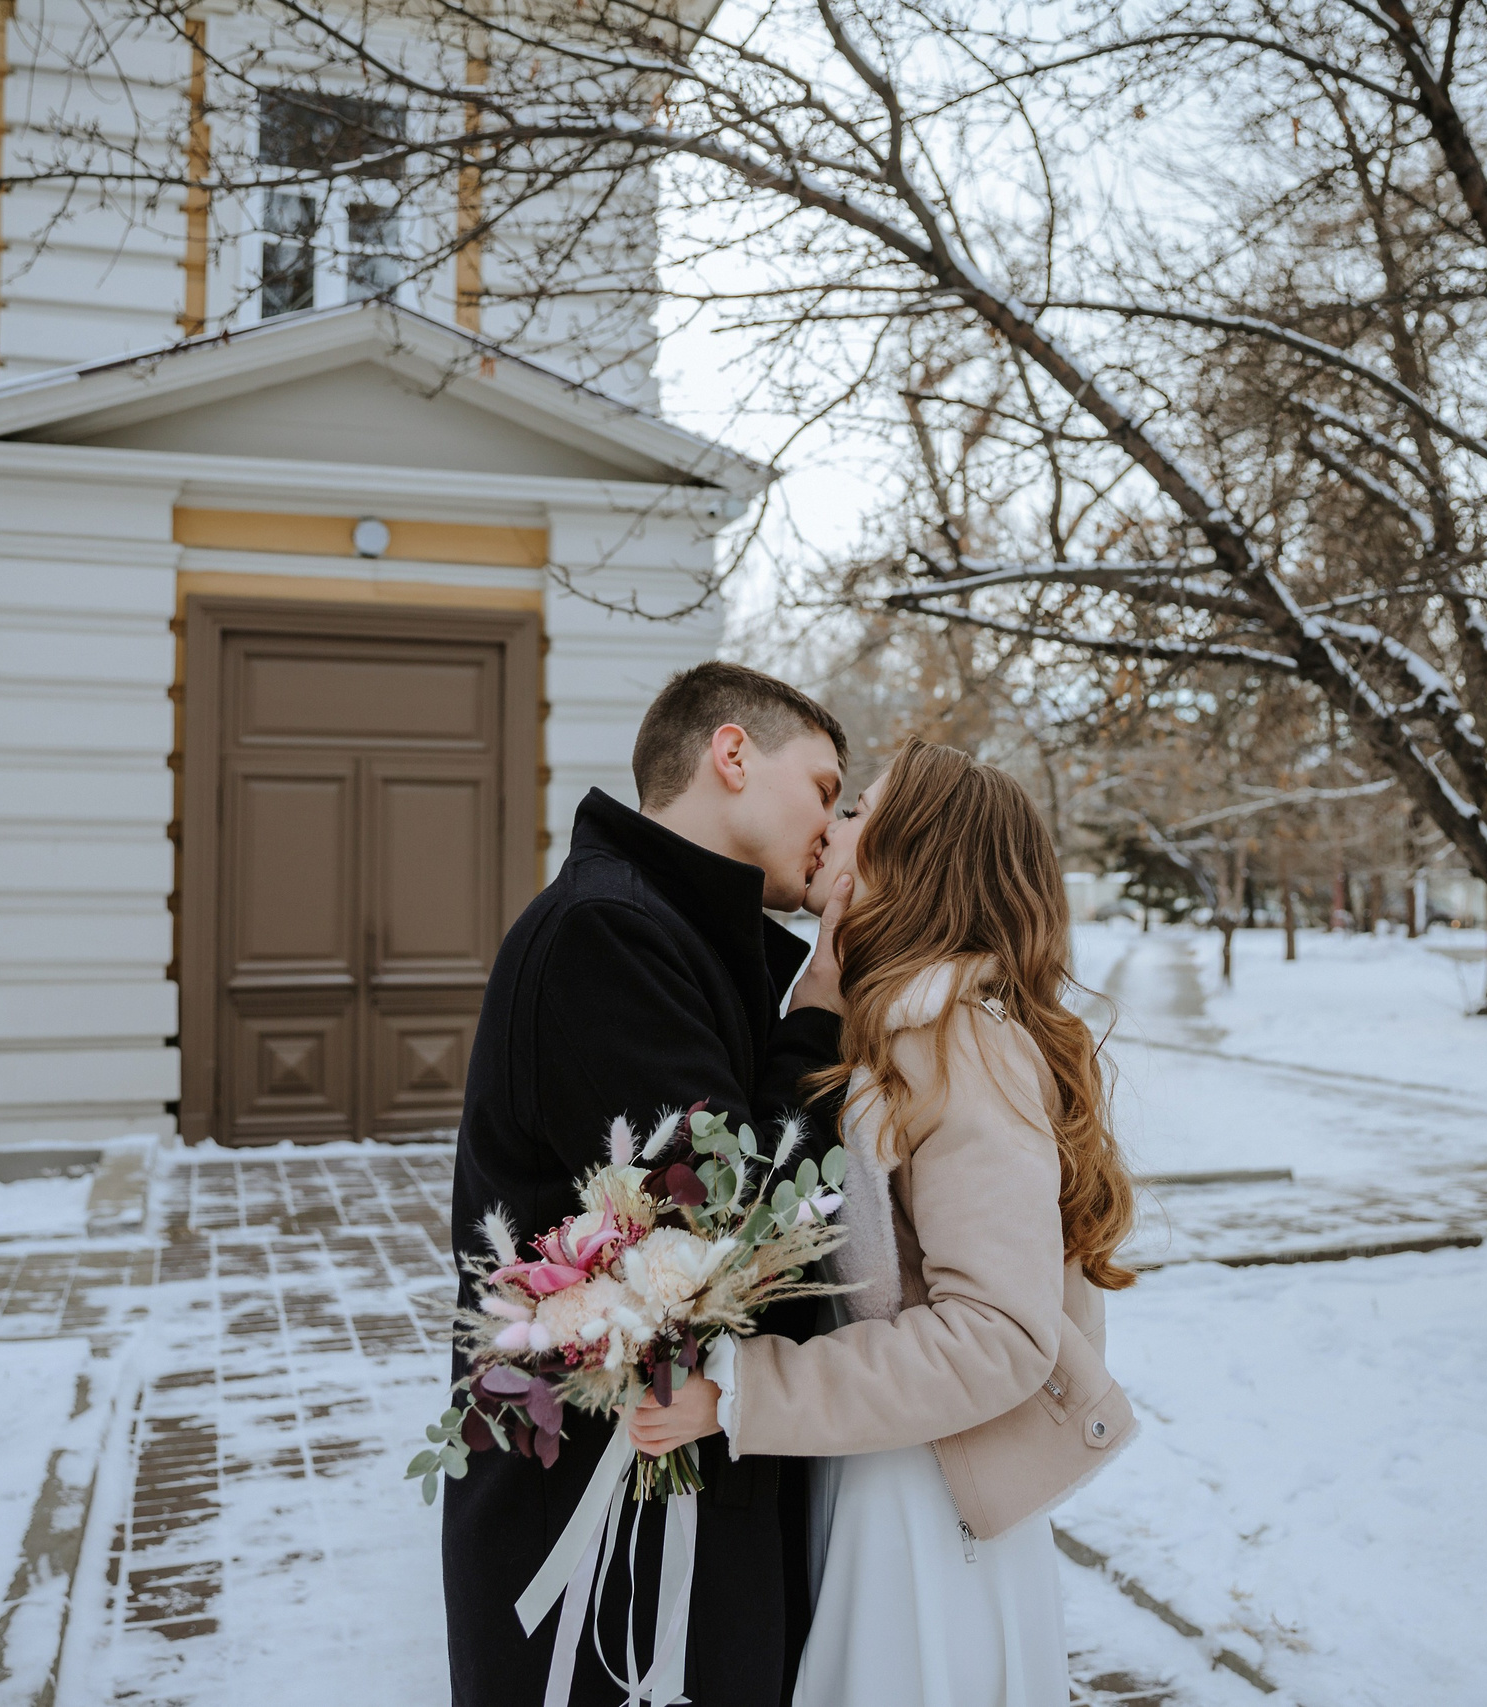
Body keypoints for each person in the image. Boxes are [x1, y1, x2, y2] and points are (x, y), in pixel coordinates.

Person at [627, 736, 1141, 1707]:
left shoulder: (959, 1040)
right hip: (879, 1468)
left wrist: (743, 1389)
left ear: (915, 856)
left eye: (859, 807)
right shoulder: (898, 1026)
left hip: (922, 1511)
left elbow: (998, 1336)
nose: (834, 823)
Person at [444, 660, 854, 1707]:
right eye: (823, 786)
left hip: (661, 1474)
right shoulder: (608, 933)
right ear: (731, 753)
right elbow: (729, 1221)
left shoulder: (671, 931)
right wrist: (821, 1004)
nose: (834, 822)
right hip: (606, 1512)